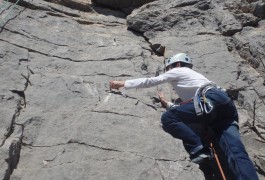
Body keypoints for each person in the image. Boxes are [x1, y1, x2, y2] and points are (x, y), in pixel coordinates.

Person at [109, 53, 258, 179]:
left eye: (170, 68)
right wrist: (167, 103)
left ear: (177, 64)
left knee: (168, 118)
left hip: (209, 99)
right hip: (225, 108)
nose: (170, 72)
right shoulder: (196, 79)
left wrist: (123, 83)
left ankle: (199, 148)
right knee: (236, 153)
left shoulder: (179, 70)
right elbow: (189, 107)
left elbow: (151, 81)